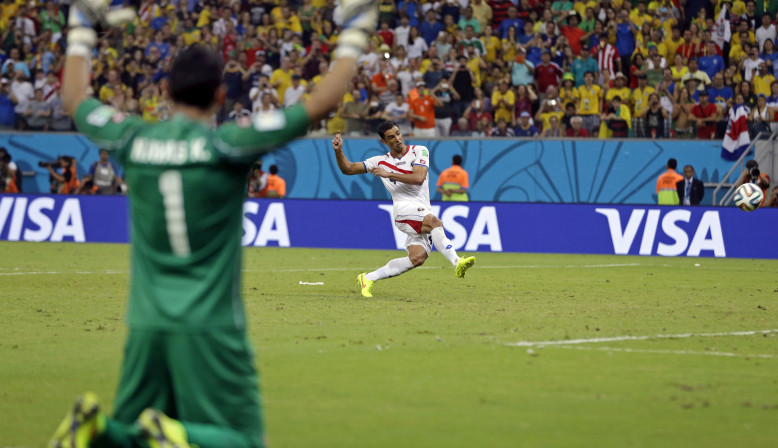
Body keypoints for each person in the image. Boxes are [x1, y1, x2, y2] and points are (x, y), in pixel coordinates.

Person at [48, 0, 379, 446]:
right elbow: (322, 102)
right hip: (210, 326)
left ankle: (98, 428)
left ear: (166, 91)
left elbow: (74, 99)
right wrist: (357, 30)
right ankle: (174, 434)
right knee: (241, 438)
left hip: (146, 324)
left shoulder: (133, 137)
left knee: (129, 431)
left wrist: (81, 28)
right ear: (221, 96)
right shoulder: (229, 146)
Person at [331, 122, 476, 298]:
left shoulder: (419, 150)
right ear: (384, 142)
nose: (397, 139)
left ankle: (367, 278)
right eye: (391, 137)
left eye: (398, 133)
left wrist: (388, 174)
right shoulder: (379, 161)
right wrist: (339, 151)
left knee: (417, 258)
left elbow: (419, 177)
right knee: (435, 222)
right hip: (403, 210)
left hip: (421, 209)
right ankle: (457, 262)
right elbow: (348, 168)